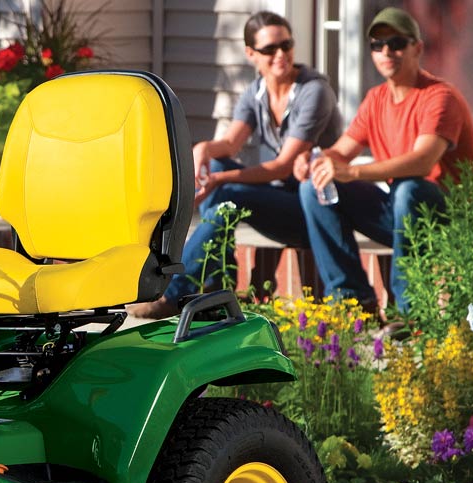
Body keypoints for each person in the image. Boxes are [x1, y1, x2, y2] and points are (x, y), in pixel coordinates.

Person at [131, 11, 341, 319]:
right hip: (277, 200)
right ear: (251, 54)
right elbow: (230, 143)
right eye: (270, 49)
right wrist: (202, 149)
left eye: (286, 45)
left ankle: (180, 291)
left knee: (223, 188)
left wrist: (217, 180)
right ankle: (214, 289)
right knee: (217, 174)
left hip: (313, 209)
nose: (280, 54)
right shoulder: (256, 92)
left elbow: (283, 167)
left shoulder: (314, 91)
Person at [298, 7, 473, 316]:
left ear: (417, 48)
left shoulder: (440, 97)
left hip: (450, 219)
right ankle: (353, 303)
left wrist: (352, 171)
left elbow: (423, 162)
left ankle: (409, 314)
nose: (386, 51)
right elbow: (340, 152)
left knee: (410, 189)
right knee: (312, 187)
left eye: (396, 43)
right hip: (403, 216)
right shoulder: (376, 99)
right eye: (377, 45)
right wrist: (314, 159)